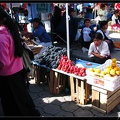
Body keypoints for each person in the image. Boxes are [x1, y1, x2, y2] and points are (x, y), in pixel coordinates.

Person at [0, 7, 41, 116]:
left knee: (12, 105)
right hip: (18, 71)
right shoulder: (10, 30)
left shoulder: (1, 36)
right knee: (22, 100)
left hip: (8, 76)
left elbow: (3, 62)